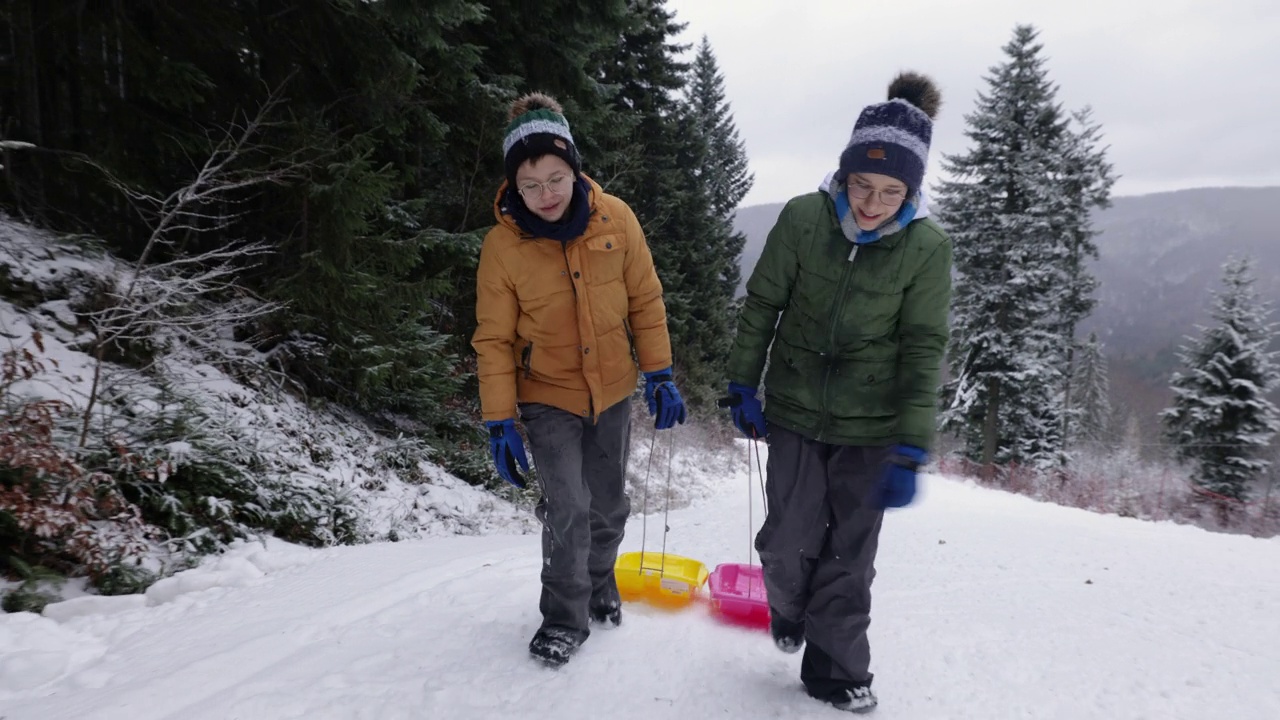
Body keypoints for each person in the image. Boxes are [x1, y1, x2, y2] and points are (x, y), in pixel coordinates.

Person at [722, 73, 952, 713]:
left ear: (912, 189)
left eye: (890, 191)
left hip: (871, 427)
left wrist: (911, 445)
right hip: (794, 411)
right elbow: (764, 300)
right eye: (861, 185)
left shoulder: (927, 249)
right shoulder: (803, 219)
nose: (872, 204)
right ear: (843, 174)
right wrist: (743, 380)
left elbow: (923, 346)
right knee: (786, 541)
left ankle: (837, 668)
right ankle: (789, 608)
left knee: (850, 557)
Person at [472, 92, 686, 669]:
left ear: (575, 168)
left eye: (556, 177)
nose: (546, 194)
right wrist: (499, 420)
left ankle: (599, 584)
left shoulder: (617, 218)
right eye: (531, 183)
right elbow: (493, 339)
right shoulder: (503, 246)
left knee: (609, 507)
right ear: (514, 186)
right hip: (547, 395)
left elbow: (646, 299)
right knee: (567, 506)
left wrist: (660, 372)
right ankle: (563, 619)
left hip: (614, 390)